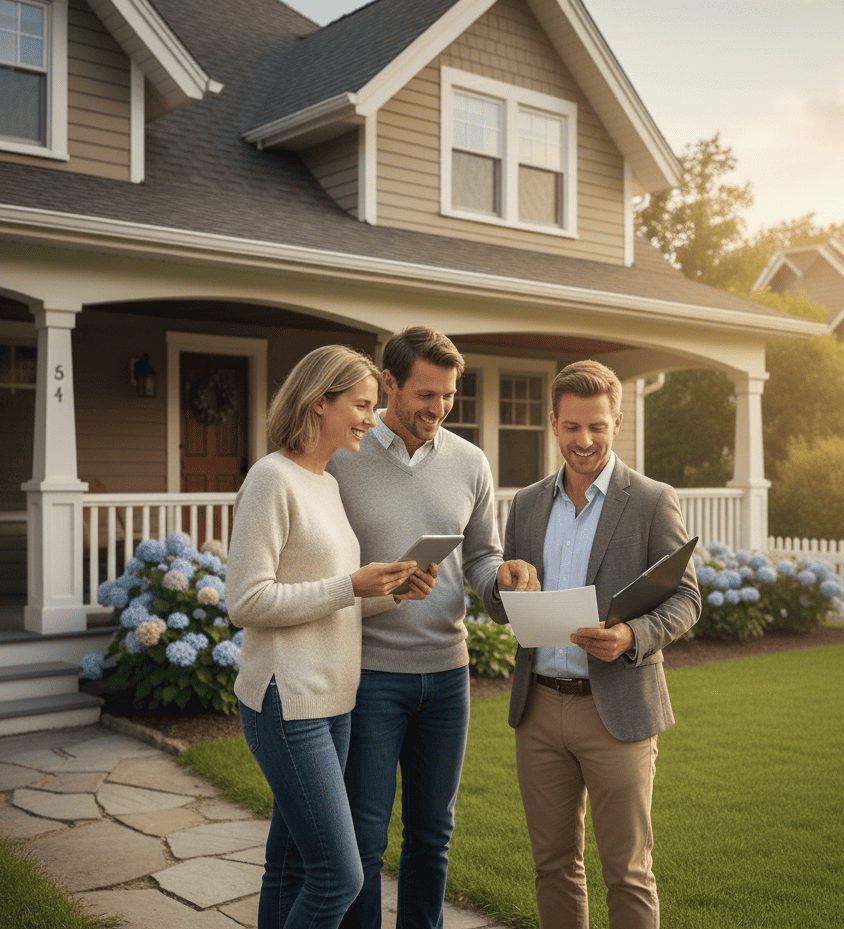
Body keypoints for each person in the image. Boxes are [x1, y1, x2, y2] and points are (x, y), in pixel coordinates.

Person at [326, 325, 538, 929]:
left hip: (447, 676)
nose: (438, 408)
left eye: (448, 395)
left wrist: (504, 579)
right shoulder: (342, 456)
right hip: (369, 675)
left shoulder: (469, 461)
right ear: (388, 383)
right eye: (425, 394)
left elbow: (481, 556)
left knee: (432, 835)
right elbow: (321, 563)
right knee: (364, 837)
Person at [485, 359, 701, 929]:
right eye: (573, 427)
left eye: (597, 427)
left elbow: (687, 598)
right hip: (538, 709)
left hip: (619, 711)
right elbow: (504, 600)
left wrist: (632, 635)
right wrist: (505, 582)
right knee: (553, 867)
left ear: (617, 424)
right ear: (554, 424)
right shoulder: (527, 503)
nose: (584, 440)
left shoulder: (652, 500)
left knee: (627, 872)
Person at [226, 345, 436, 929]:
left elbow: (334, 603)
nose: (373, 418)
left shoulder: (325, 483)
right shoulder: (271, 478)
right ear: (320, 401)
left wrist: (393, 592)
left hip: (334, 700)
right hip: (287, 700)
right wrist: (350, 584)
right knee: (339, 876)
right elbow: (246, 601)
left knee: (291, 865)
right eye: (362, 405)